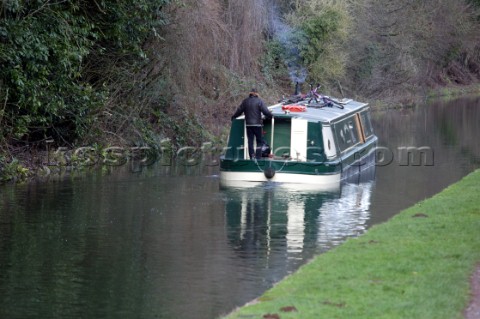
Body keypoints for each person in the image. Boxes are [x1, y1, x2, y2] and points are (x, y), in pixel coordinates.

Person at [231, 88, 273, 159]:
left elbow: (239, 111)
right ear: (257, 93)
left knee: (250, 141)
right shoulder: (259, 101)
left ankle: (252, 156)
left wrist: (234, 116)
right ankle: (258, 156)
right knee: (259, 142)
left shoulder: (245, 101)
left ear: (250, 93)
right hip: (257, 125)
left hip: (248, 125)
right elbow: (265, 111)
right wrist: (271, 116)